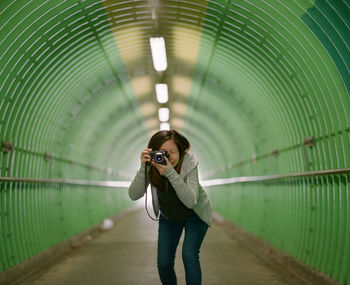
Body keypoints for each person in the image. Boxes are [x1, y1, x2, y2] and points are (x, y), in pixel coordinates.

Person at [129, 129, 213, 285]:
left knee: (189, 256)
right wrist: (143, 167)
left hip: (195, 215)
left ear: (180, 150)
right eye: (162, 153)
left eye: (172, 152)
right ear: (153, 153)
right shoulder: (152, 164)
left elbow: (191, 201)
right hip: (169, 217)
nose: (168, 157)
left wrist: (170, 173)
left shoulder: (189, 162)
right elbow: (133, 195)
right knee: (164, 264)